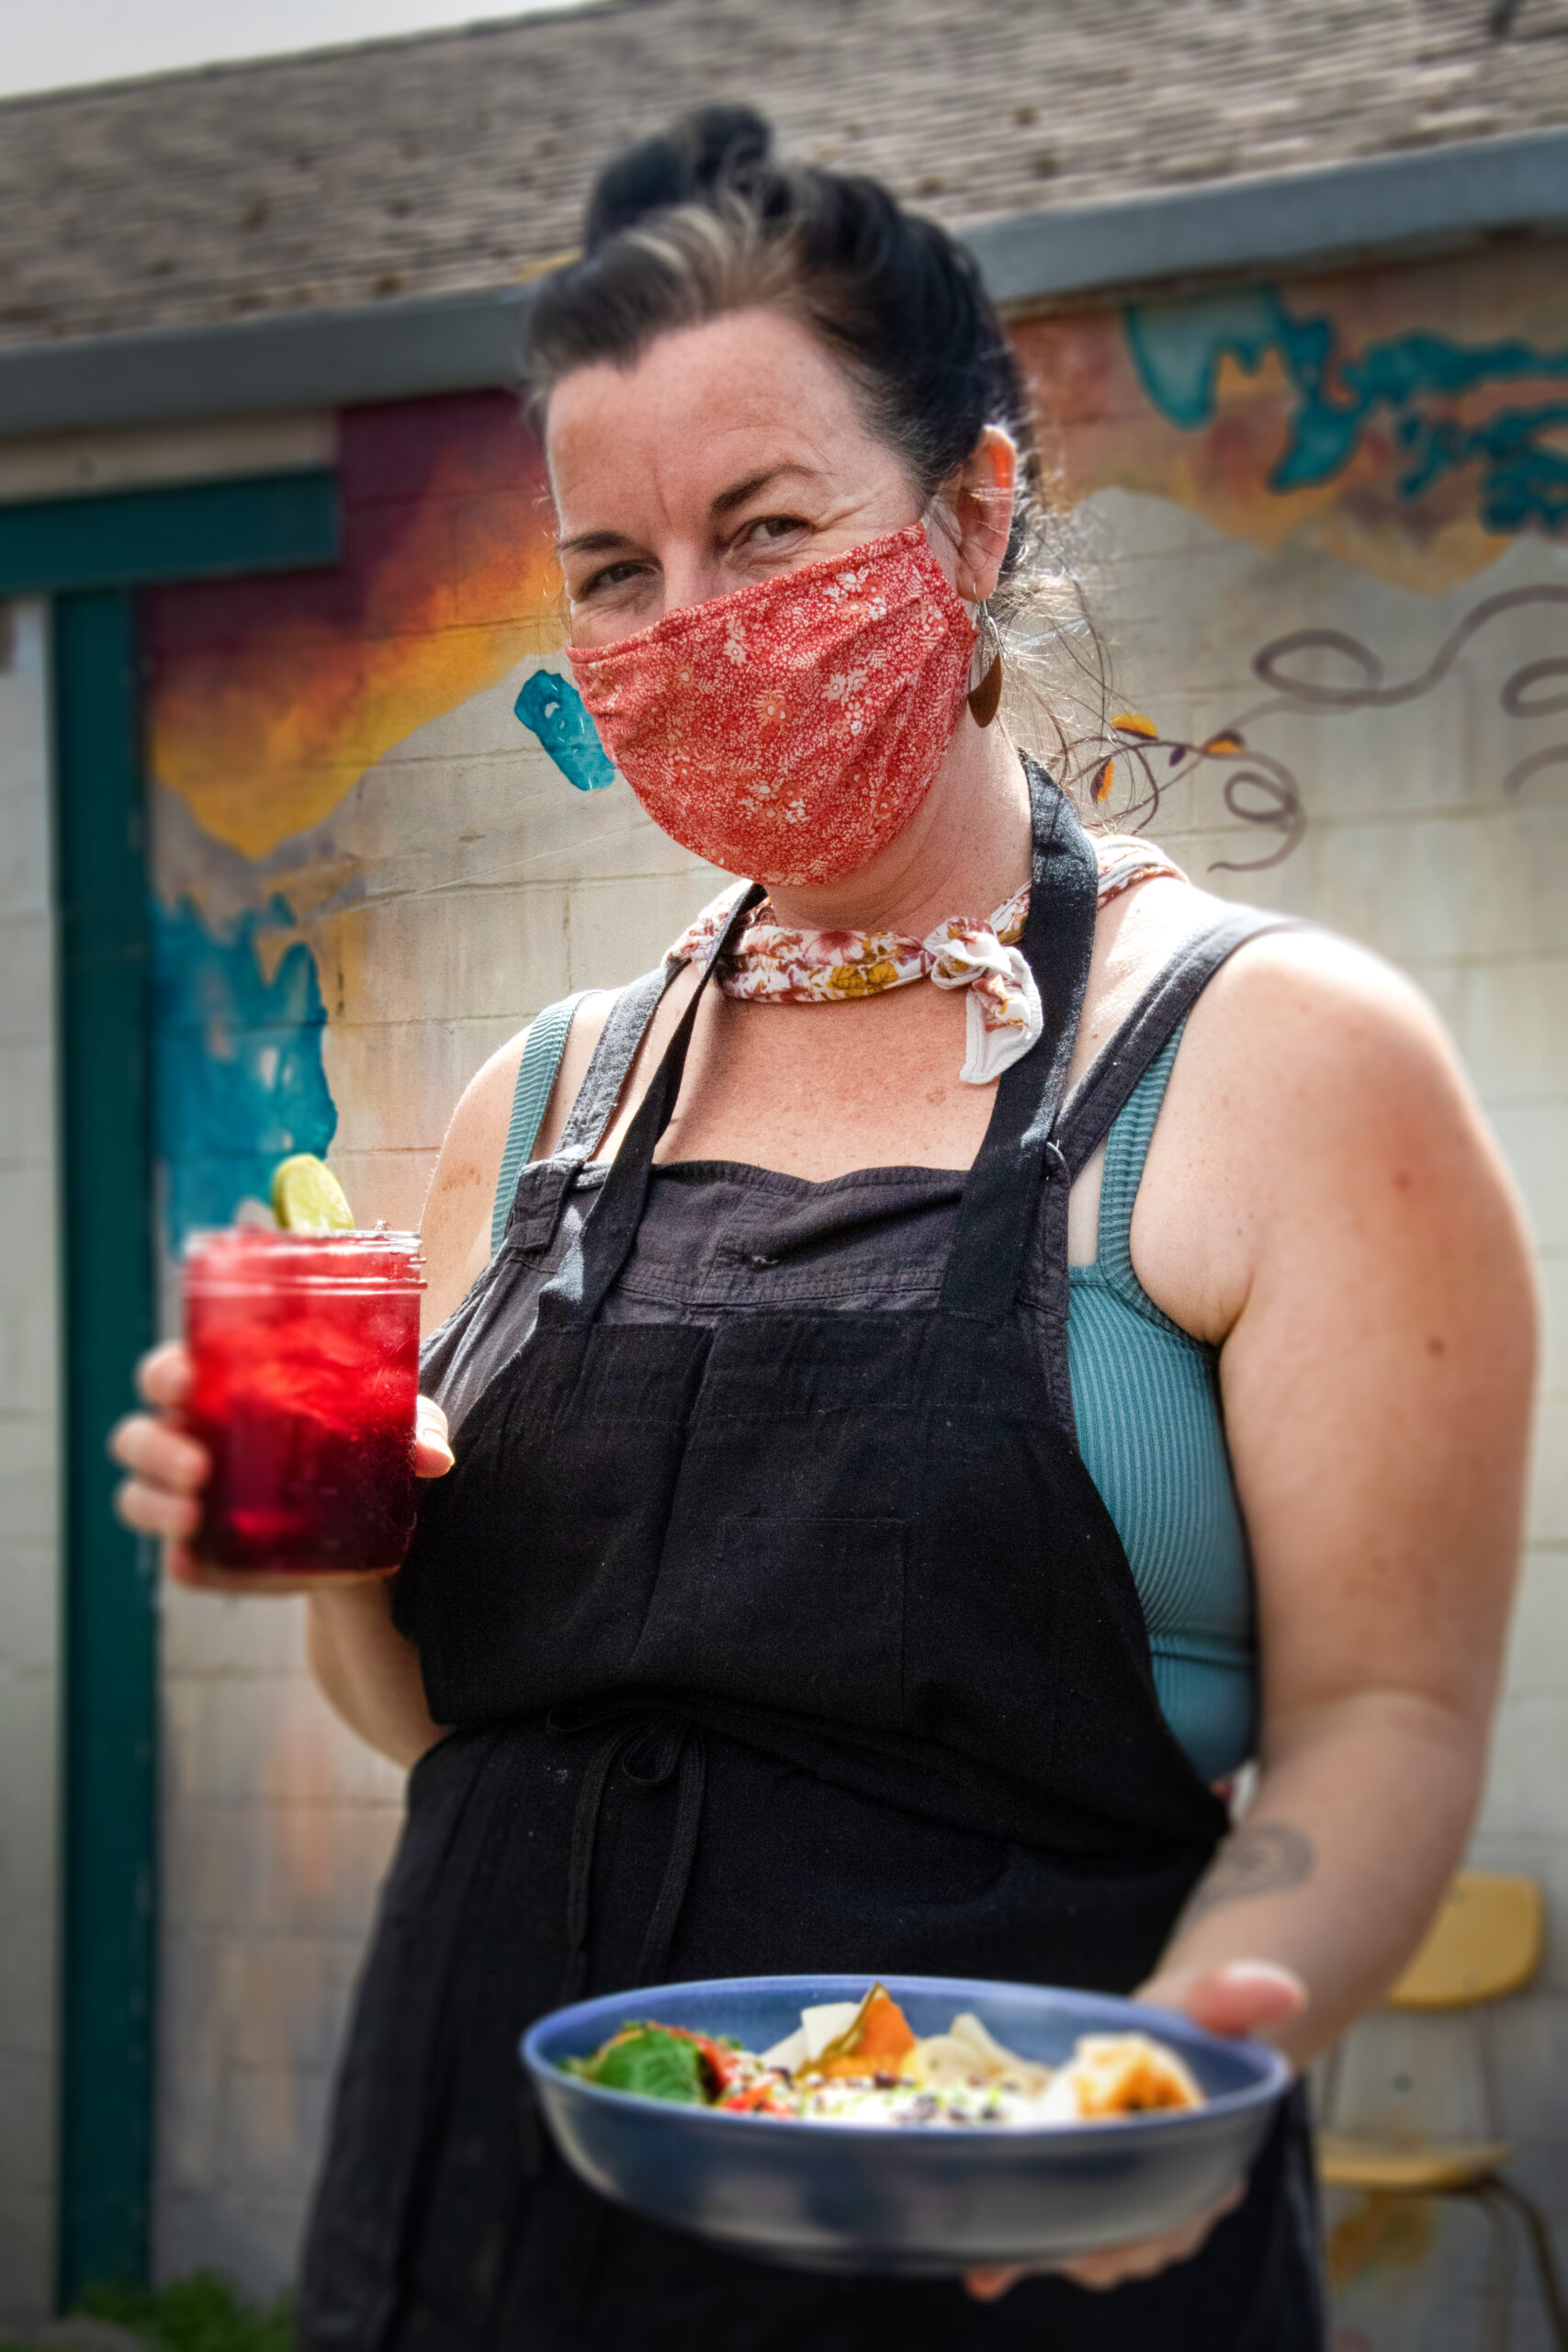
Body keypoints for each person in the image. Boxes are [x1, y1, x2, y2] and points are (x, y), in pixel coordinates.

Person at [112, 107, 1537, 2352]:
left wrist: (1172, 2055)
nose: (690, 631)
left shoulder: (1279, 1063)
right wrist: (331, 1530)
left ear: (968, 515)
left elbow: (1382, 1716)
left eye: (766, 529)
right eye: (611, 568)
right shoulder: (548, 1101)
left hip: (998, 2233)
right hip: (476, 2223)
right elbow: (435, 1722)